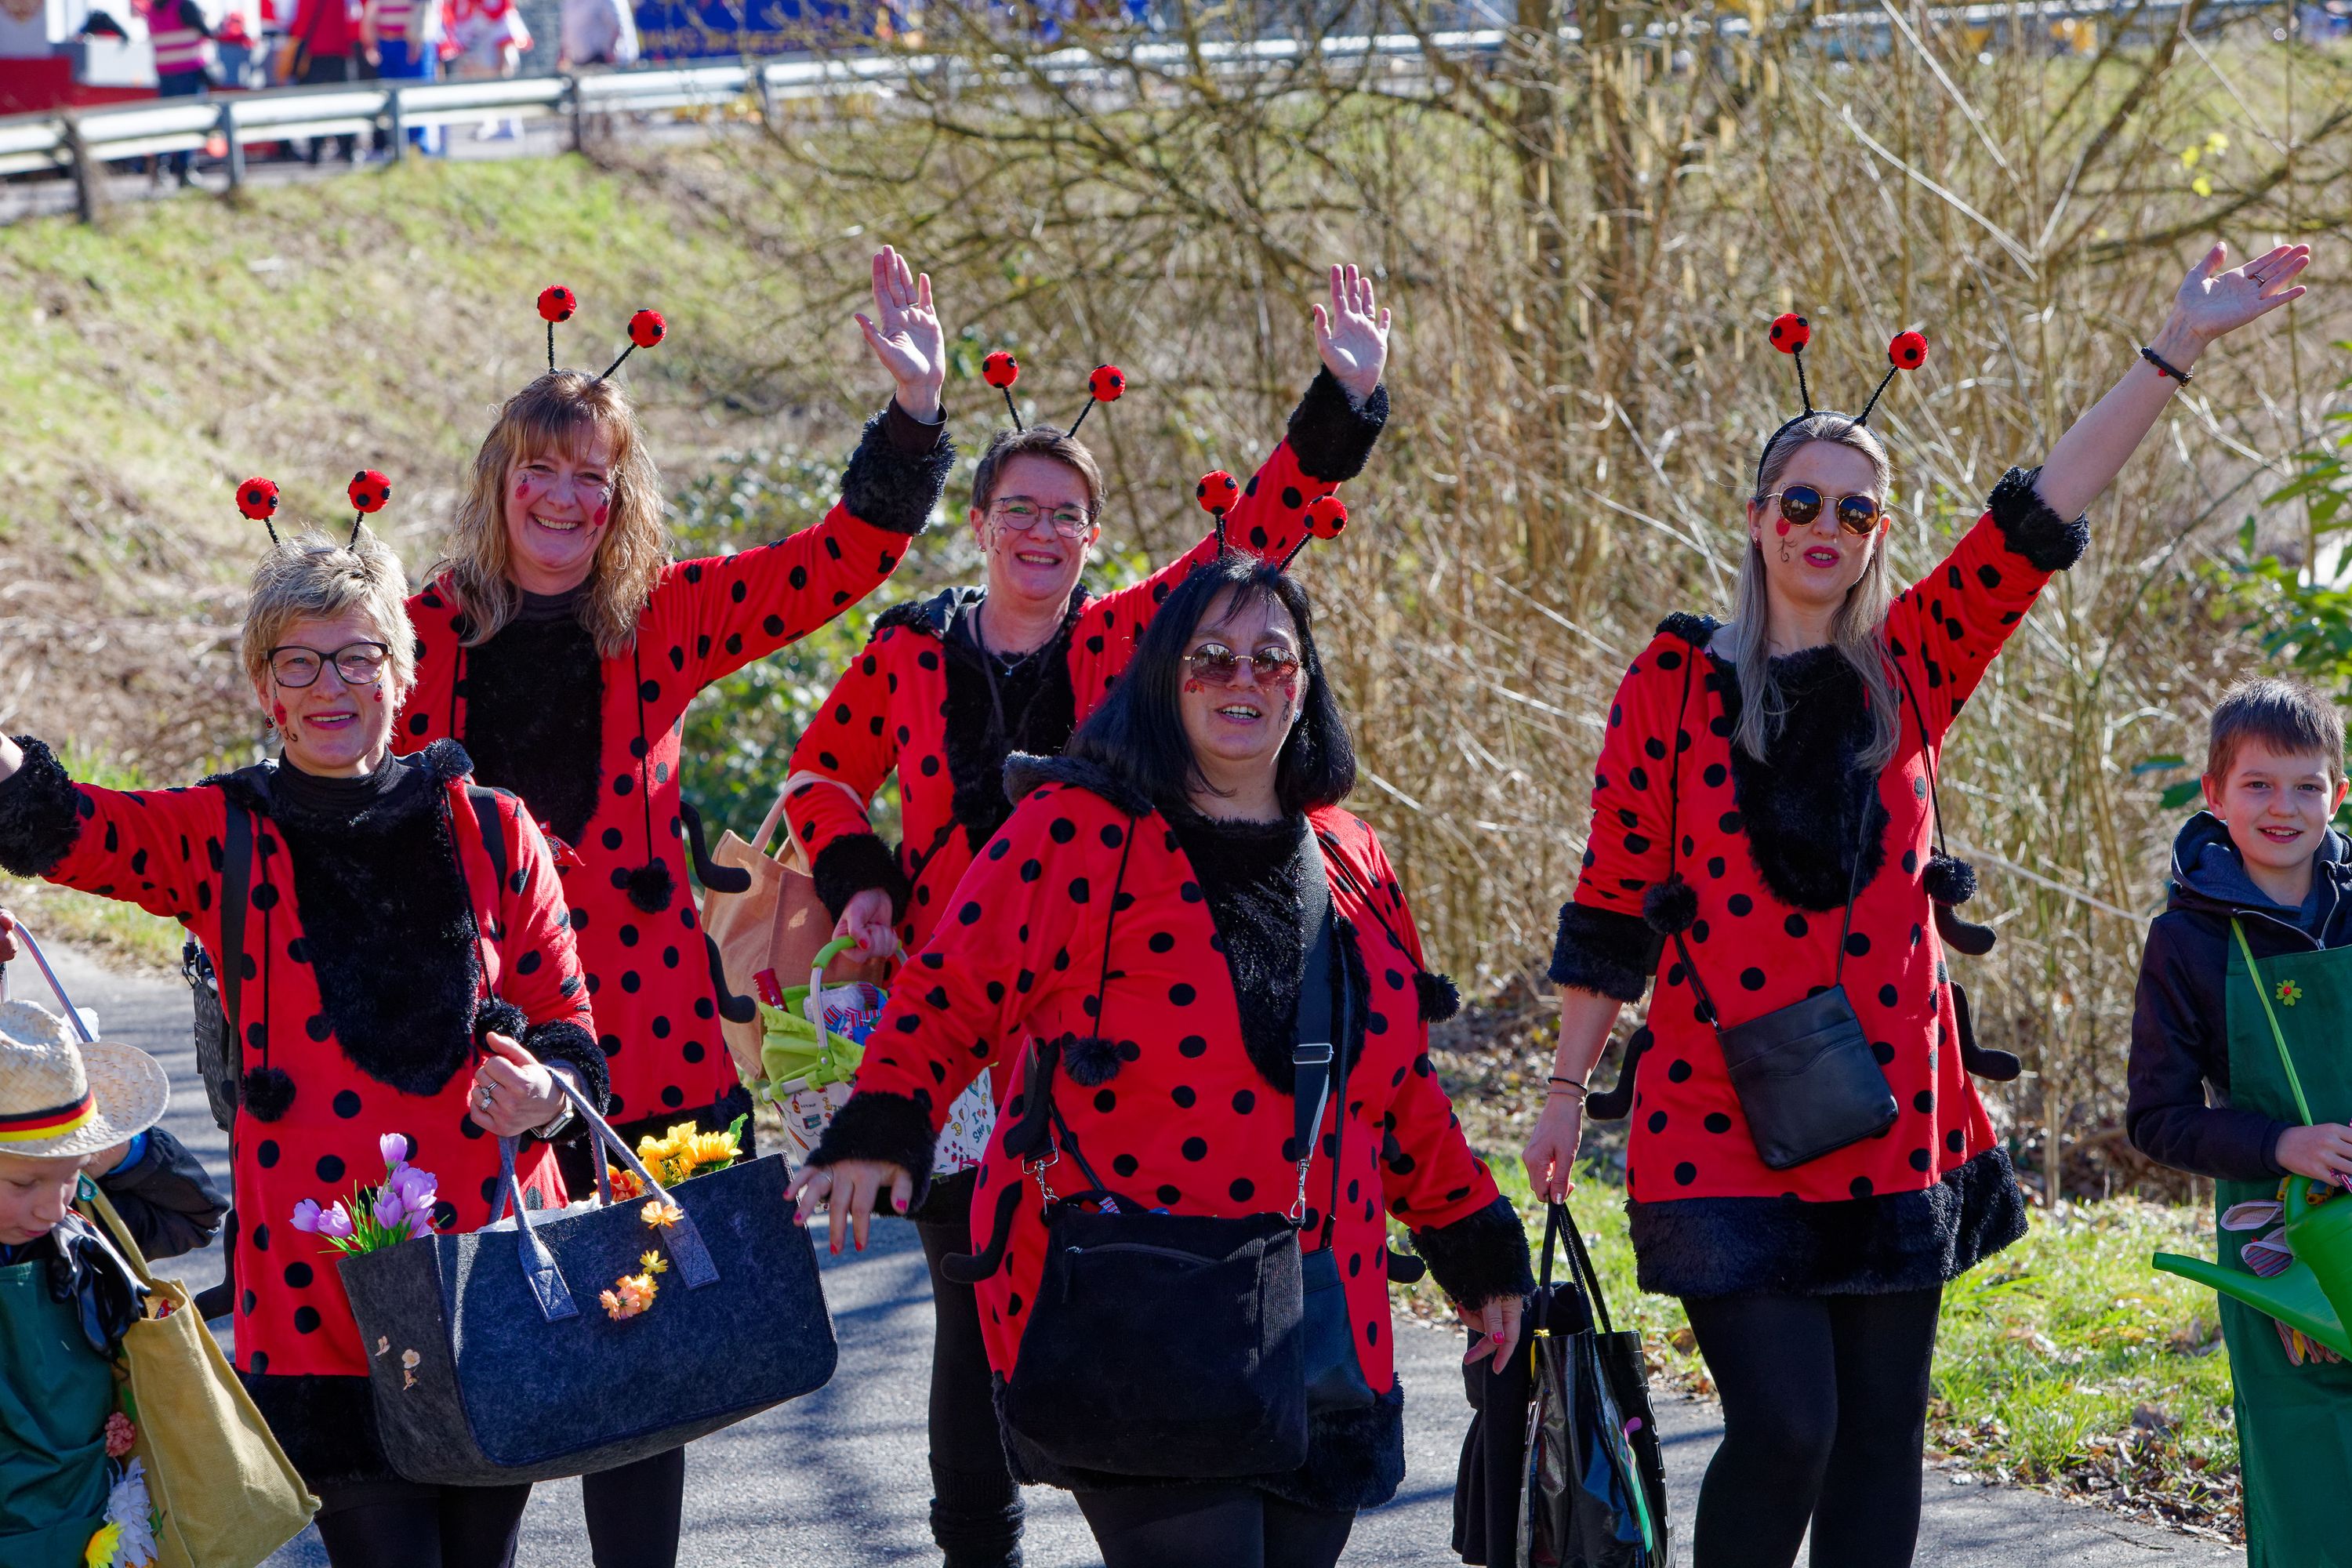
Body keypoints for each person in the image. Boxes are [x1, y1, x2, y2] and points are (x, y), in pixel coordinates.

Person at [1526, 241, 2313, 1568]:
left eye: (1855, 511)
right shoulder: (1671, 682)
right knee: (1789, 1428)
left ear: (1878, 534)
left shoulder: (1915, 661)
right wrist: (1561, 1086)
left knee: (1883, 1434)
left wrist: (2175, 346)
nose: (1825, 529)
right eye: (1801, 503)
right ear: (1759, 515)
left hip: (1897, 1116)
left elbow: (2041, 512)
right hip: (1717, 1116)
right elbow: (1614, 899)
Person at [784, 262, 1393, 1568]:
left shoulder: (1130, 638)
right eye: (1020, 511)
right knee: (966, 1295)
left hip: (1109, 1032)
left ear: (1094, 537)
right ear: (984, 524)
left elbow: (1258, 546)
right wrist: (863, 878)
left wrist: (1340, 403)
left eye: (1067, 516)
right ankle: (981, 1549)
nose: (1042, 536)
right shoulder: (904, 652)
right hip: (955, 1013)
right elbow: (820, 774)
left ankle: (1144, 1479)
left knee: (1098, 1275)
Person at [792, 553, 1531, 1568]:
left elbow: (1397, 1087)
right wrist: (883, 1126)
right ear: (1161, 679)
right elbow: (950, 990)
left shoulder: (1353, 856)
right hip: (1136, 1300)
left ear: (1305, 685)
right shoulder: (1074, 832)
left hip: (1324, 1313)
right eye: (1211, 657)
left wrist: (1473, 1243)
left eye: (1272, 659)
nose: (1243, 679)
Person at [392, 252, 950, 1568]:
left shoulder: (665, 615)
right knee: (499, 1349)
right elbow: (321, 766)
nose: (566, 497)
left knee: (646, 1366)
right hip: (477, 1051)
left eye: (594, 476)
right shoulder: (414, 640)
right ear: (500, 483)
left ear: (621, 494)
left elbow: (837, 563)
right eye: (542, 470)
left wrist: (915, 421)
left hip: (652, 1047)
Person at [0, 503, 608, 1568]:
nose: (332, 687)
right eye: (300, 664)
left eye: (358, 657)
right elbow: (73, 829)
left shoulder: (492, 825)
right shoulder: (219, 832)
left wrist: (548, 1095)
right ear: (263, 687)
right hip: (313, 1299)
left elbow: (569, 1030)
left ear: (402, 671)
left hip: (483, 1277)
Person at [2127, 678, 2352, 1566]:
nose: (2283, 806)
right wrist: (2277, 1143)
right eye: (2258, 784)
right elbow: (2157, 1116)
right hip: (2278, 1241)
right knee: (2304, 1457)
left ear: (2337, 793)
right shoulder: (2186, 939)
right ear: (2215, 796)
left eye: (2306, 785)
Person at [0, 997, 186, 1568]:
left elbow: (194, 1212)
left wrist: (117, 1154)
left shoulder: (76, 1232)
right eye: (26, 1180)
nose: (51, 1208)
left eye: (72, 1175)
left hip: (74, 1521)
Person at [283, 0, 361, 162]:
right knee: (345, 105)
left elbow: (298, 22)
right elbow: (355, 16)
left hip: (315, 53)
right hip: (340, 51)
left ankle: (316, 150)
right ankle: (347, 148)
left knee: (315, 104)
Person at [147, 0, 213, 187]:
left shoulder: (154, 8)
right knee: (189, 121)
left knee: (166, 122)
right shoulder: (183, 5)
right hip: (188, 71)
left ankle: (161, 168)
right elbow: (206, 32)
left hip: (165, 71)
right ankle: (185, 170)